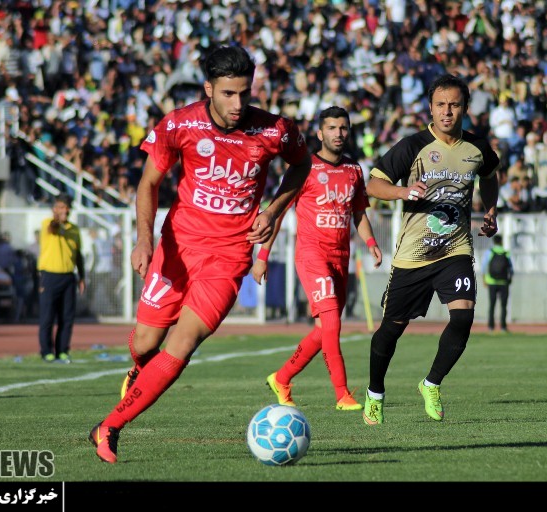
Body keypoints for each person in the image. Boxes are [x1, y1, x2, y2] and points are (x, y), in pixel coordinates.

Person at [88, 45, 312, 464]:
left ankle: (109, 427)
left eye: (244, 93)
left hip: (229, 258)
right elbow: (148, 183)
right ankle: (140, 368)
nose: (238, 103)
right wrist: (143, 240)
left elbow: (302, 165)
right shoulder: (179, 124)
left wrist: (272, 210)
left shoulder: (275, 130)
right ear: (208, 89)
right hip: (178, 248)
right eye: (228, 94)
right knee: (145, 342)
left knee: (183, 343)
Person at [360, 73, 500, 426]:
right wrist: (403, 192)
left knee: (463, 317)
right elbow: (374, 184)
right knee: (391, 329)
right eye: (441, 105)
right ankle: (375, 393)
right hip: (413, 255)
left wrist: (491, 210)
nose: (447, 112)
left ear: (465, 108)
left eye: (454, 105)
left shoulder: (477, 148)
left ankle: (431, 383)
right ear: (431, 108)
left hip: (455, 249)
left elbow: (490, 175)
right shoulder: (413, 146)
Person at [251, 106, 383, 411]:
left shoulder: (354, 170)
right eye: (332, 128)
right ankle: (342, 394)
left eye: (343, 128)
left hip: (341, 257)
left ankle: (282, 378)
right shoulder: (304, 168)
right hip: (312, 254)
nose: (339, 133)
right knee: (333, 322)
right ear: (320, 133)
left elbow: (359, 213)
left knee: (325, 329)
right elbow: (277, 214)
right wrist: (262, 256)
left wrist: (371, 243)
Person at [36, 193, 86, 362]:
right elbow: (53, 228)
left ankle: (62, 350)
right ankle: (46, 351)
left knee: (67, 317)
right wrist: (57, 217)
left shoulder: (74, 229)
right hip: (49, 276)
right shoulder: (47, 223)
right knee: (47, 316)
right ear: (54, 209)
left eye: (66, 207)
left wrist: (81, 277)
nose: (64, 210)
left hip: (68, 276)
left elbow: (78, 254)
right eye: (60, 207)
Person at [481, 234, 513, 332]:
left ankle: (491, 327)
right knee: (503, 305)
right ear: (501, 242)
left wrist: (484, 280)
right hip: (504, 282)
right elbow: (511, 269)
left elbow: (483, 267)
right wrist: (510, 279)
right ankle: (503, 327)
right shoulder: (506, 253)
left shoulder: (489, 252)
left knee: (492, 305)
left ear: (494, 242)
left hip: (492, 282)